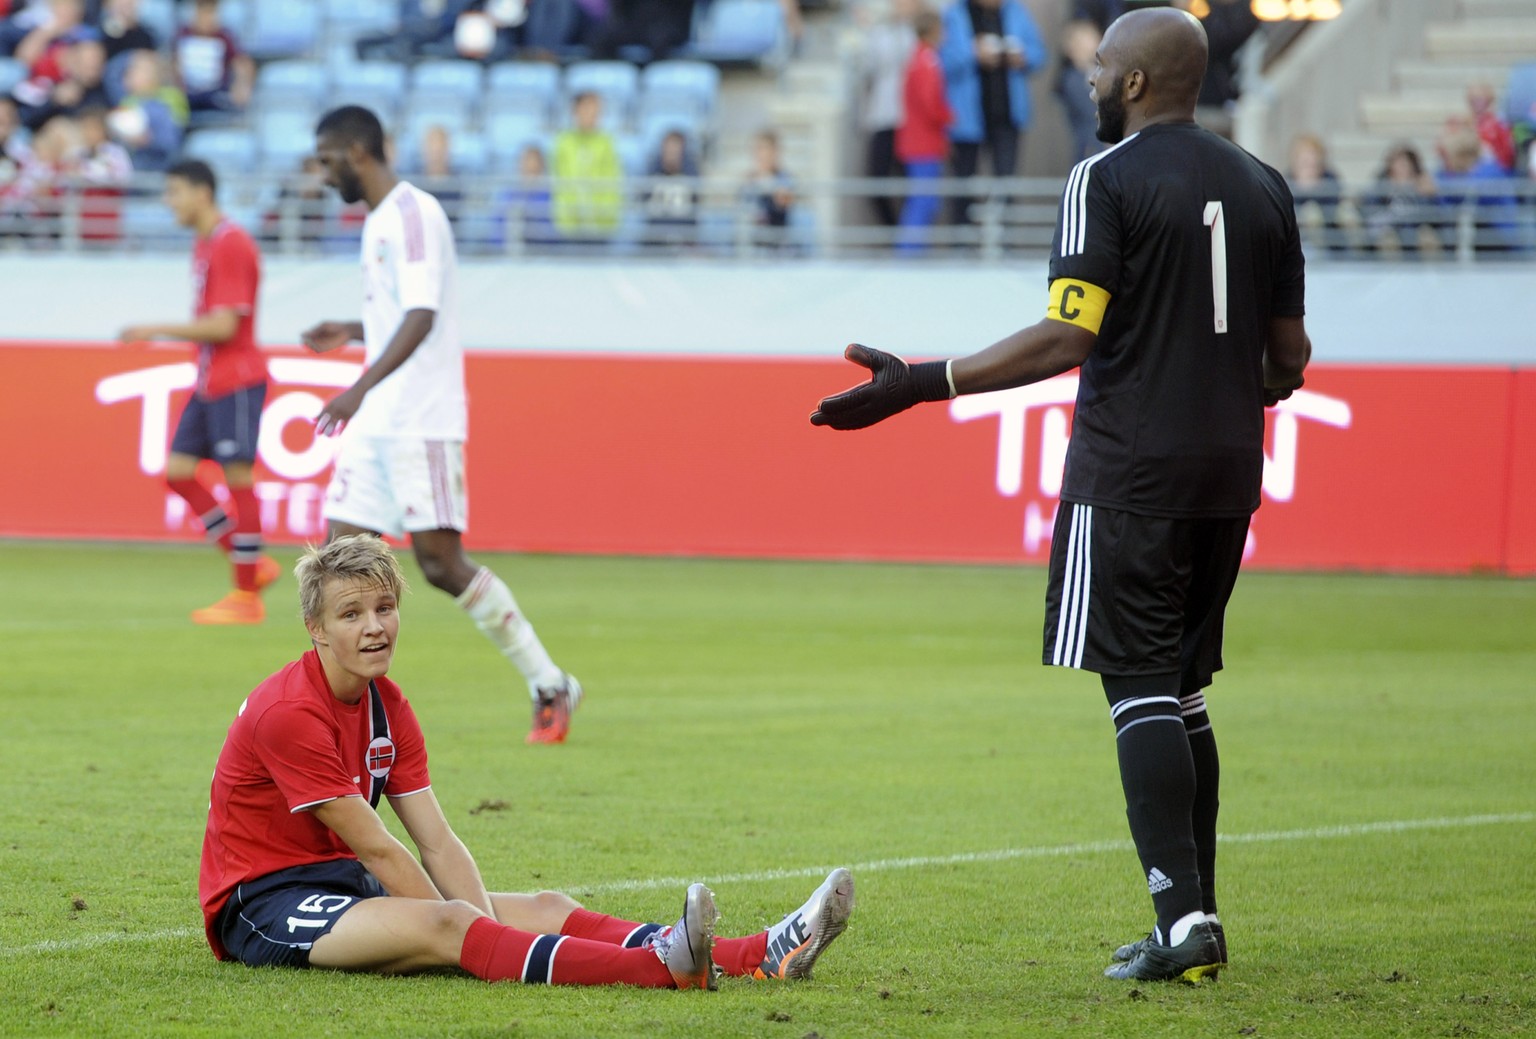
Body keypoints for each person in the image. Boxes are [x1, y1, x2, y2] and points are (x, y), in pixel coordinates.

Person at [810, 6, 1311, 983]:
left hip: (1130, 471)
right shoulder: (1265, 184)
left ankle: (1183, 928)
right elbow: (1288, 358)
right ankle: (1198, 916)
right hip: (1228, 476)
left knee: (1137, 688)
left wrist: (922, 381)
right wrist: (1217, 382)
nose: (1087, 81)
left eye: (1100, 69)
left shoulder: (1104, 180)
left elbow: (1067, 335)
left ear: (1132, 83)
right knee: (1184, 690)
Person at [199, 534, 857, 987]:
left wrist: (481, 927)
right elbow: (381, 851)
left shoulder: (386, 704)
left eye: (385, 607)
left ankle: (759, 952)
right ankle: (668, 968)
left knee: (542, 904)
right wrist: (470, 934)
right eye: (351, 613)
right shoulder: (289, 710)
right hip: (267, 901)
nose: (375, 626)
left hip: (340, 878)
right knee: (456, 924)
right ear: (316, 628)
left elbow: (435, 838)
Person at [302, 105, 585, 745]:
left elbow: (424, 314)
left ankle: (549, 682)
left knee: (439, 564)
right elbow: (400, 313)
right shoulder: (379, 221)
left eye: (326, 159)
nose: (322, 174)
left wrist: (356, 387)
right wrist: (352, 330)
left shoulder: (413, 214)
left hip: (421, 419)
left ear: (358, 152)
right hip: (379, 422)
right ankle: (327, 718)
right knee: (336, 562)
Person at [117, 159, 277, 623]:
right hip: (211, 381)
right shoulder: (205, 243)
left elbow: (226, 325)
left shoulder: (231, 243)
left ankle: (246, 599)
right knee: (178, 472)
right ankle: (250, 562)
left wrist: (156, 327)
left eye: (175, 192)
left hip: (238, 379)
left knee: (239, 478)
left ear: (202, 193)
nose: (170, 202)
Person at [937, 0, 1045, 227]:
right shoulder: (954, 14)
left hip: (1006, 114)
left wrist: (1020, 57)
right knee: (963, 183)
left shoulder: (1016, 11)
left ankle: (1004, 243)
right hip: (966, 117)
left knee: (1006, 182)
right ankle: (962, 243)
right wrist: (973, 53)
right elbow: (942, 61)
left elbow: (1039, 53)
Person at [854, 0, 917, 227]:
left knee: (914, 186)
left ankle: (908, 241)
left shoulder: (917, 31)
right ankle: (896, 235)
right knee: (876, 182)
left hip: (910, 121)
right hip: (883, 118)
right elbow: (868, 67)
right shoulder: (879, 32)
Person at [894, 9, 951, 253]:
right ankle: (909, 252)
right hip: (924, 142)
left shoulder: (915, 57)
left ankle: (911, 249)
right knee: (924, 198)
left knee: (922, 197)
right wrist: (948, 116)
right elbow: (930, 103)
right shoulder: (928, 60)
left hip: (914, 140)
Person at [551, 91, 623, 246]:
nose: (592, 115)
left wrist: (605, 214)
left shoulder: (607, 143)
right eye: (587, 110)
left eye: (596, 111)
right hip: (569, 224)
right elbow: (560, 180)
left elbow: (612, 181)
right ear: (575, 111)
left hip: (601, 224)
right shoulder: (563, 142)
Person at [172, 0, 254, 117]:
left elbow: (242, 64)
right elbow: (173, 64)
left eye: (210, 13)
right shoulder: (183, 35)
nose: (207, 19)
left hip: (216, 94)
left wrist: (241, 85)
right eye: (203, 13)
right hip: (187, 95)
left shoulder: (224, 37)